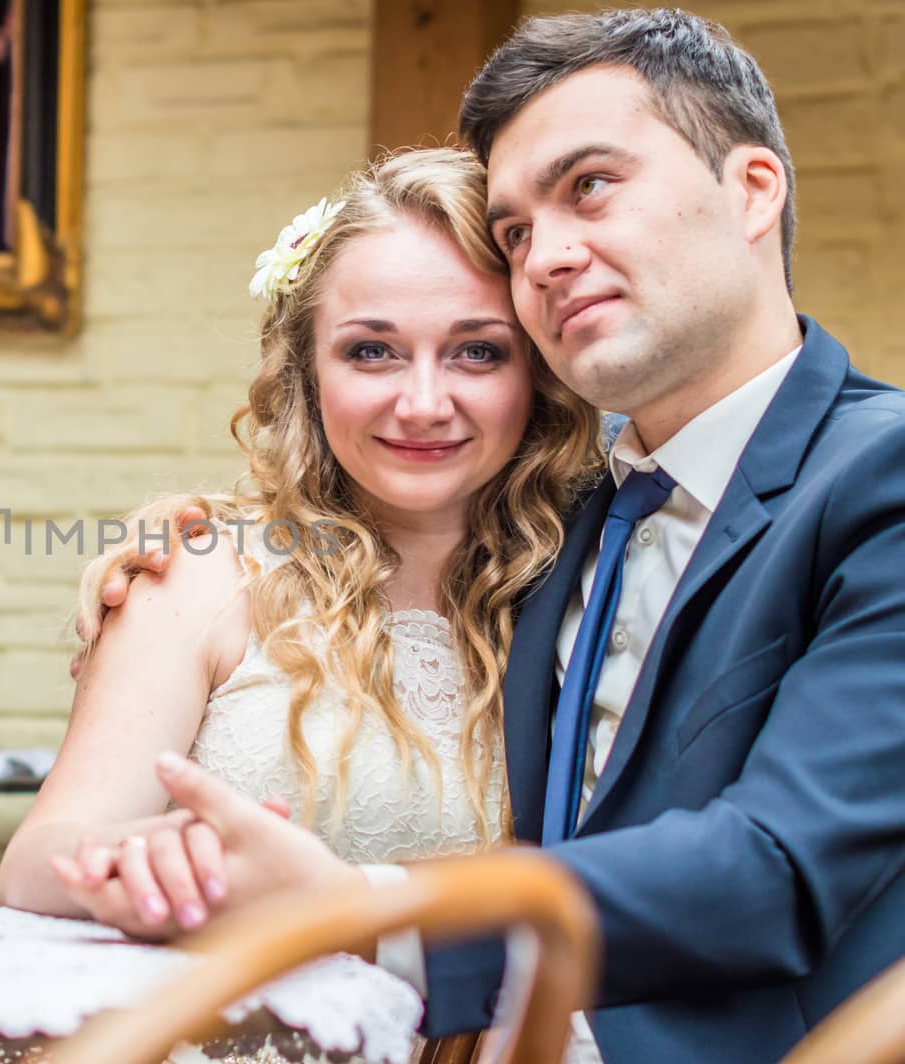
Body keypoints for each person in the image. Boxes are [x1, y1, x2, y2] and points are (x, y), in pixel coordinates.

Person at [61, 9, 905, 1063]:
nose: (546, 254)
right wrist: (201, 538)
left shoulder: (879, 476)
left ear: (751, 190)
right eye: (514, 231)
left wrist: (359, 903)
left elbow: (779, 867)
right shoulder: (562, 518)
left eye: (590, 184)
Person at [0, 147, 602, 949]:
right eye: (371, 350)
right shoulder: (204, 572)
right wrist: (141, 858)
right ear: (308, 374)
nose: (423, 403)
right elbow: (31, 867)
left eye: (477, 351)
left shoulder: (592, 581)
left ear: (539, 373)